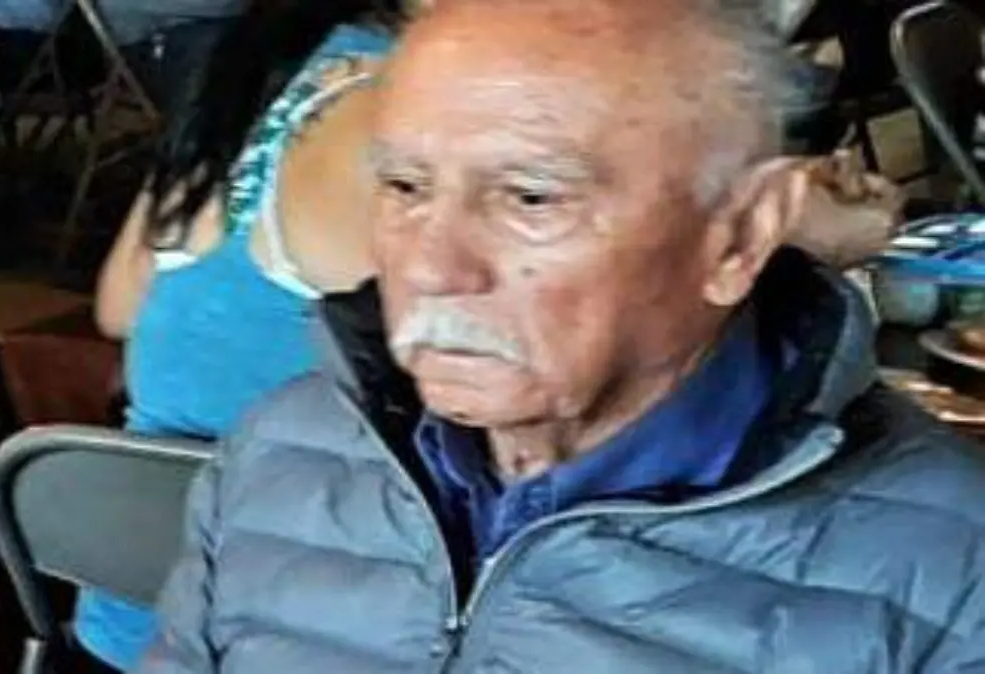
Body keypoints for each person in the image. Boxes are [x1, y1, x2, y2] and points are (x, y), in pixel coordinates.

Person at [137, 1, 985, 672]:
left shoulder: (951, 576)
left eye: (531, 198)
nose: (430, 267)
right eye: (404, 186)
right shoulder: (282, 450)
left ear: (739, 236)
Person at [79, 2, 408, 671]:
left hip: (125, 597)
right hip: (281, 610)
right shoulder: (410, 115)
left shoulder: (248, 73)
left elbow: (117, 309)